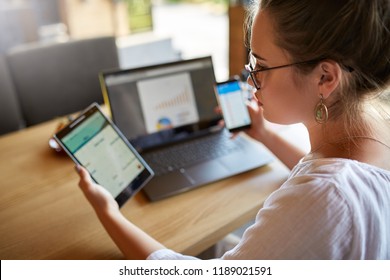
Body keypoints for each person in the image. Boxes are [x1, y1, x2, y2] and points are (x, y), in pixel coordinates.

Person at [75, 0, 390, 259]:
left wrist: (109, 214)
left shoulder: (321, 199)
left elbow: (327, 193)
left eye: (262, 66)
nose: (252, 79)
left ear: (325, 78)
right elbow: (336, 177)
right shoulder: (374, 135)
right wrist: (264, 135)